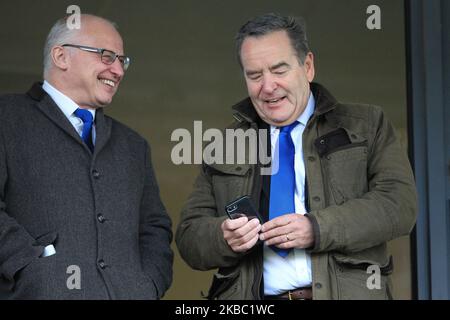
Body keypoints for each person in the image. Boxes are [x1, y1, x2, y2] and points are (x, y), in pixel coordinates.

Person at [176, 13, 417, 300]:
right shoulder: (225, 143)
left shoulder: (366, 124)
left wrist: (317, 228)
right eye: (254, 75)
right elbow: (189, 237)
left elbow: (399, 204)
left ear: (308, 66)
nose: (267, 86)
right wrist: (223, 237)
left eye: (279, 70)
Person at [0, 14, 173, 299]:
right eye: (106, 56)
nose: (118, 69)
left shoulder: (134, 145)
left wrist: (148, 284)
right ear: (61, 56)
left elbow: (154, 228)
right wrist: (33, 268)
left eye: (122, 60)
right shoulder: (7, 117)